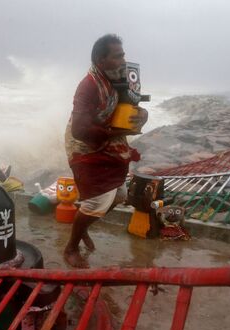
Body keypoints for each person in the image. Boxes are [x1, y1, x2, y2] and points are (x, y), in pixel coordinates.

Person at [63, 34, 148, 268]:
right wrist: (114, 133)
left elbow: (129, 107)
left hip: (107, 137)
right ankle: (71, 248)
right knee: (94, 202)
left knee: (119, 196)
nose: (123, 60)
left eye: (123, 55)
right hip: (84, 146)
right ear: (101, 60)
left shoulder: (116, 78)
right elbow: (80, 130)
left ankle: (84, 227)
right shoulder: (88, 86)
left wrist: (139, 115)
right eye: (117, 56)